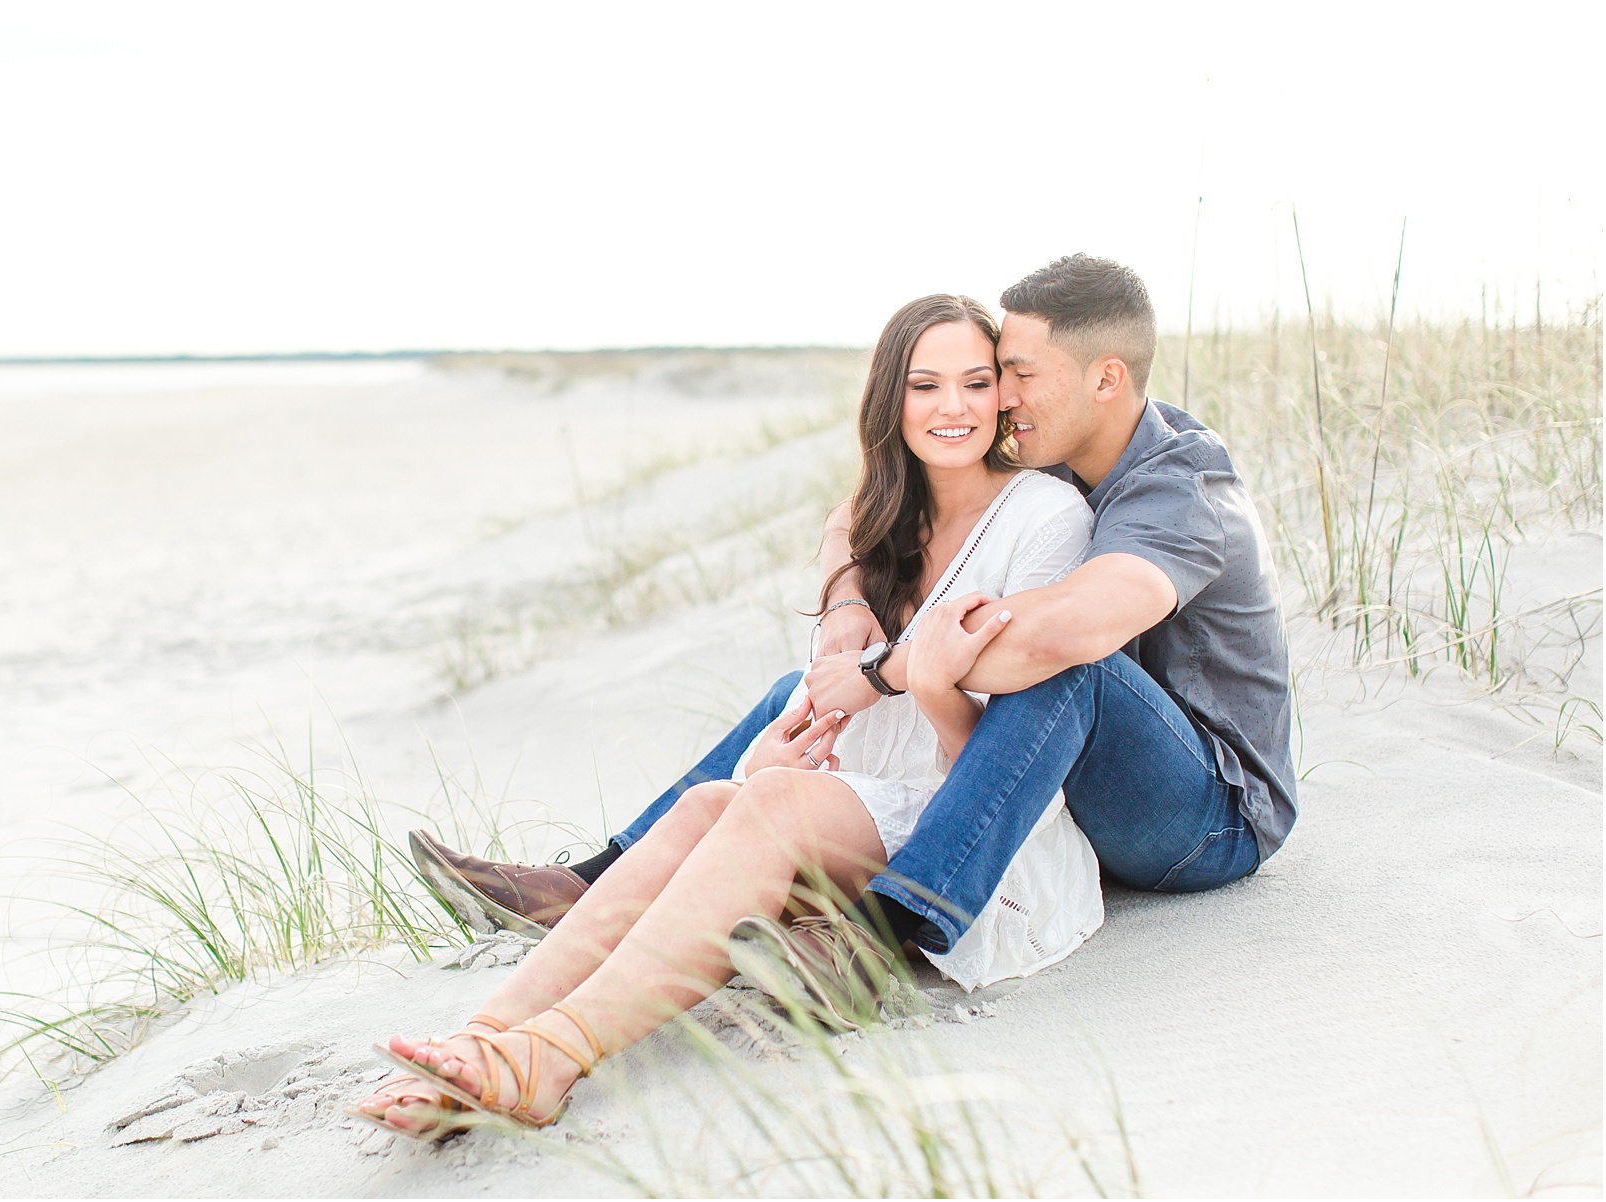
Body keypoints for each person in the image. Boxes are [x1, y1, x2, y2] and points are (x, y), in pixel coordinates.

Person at [410, 252, 1297, 1032]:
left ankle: (889, 932)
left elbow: (1070, 631)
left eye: (1017, 371)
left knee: (1070, 669)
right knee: (799, 690)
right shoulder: (1059, 445)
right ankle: (600, 878)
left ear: (1106, 378)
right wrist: (844, 616)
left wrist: (885, 672)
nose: (1003, 394)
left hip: (1207, 816)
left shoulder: (1182, 483)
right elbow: (854, 515)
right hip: (1088, 777)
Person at [352, 293, 1102, 1138]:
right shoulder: (882, 519)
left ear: (1003, 393)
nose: (955, 407)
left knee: (767, 803)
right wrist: (808, 699)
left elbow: (1014, 757)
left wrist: (920, 688)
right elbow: (845, 543)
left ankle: (547, 1058)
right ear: (891, 398)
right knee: (717, 799)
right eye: (926, 385)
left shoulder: (1045, 516)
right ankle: (482, 1037)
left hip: (977, 843)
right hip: (866, 799)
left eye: (976, 382)